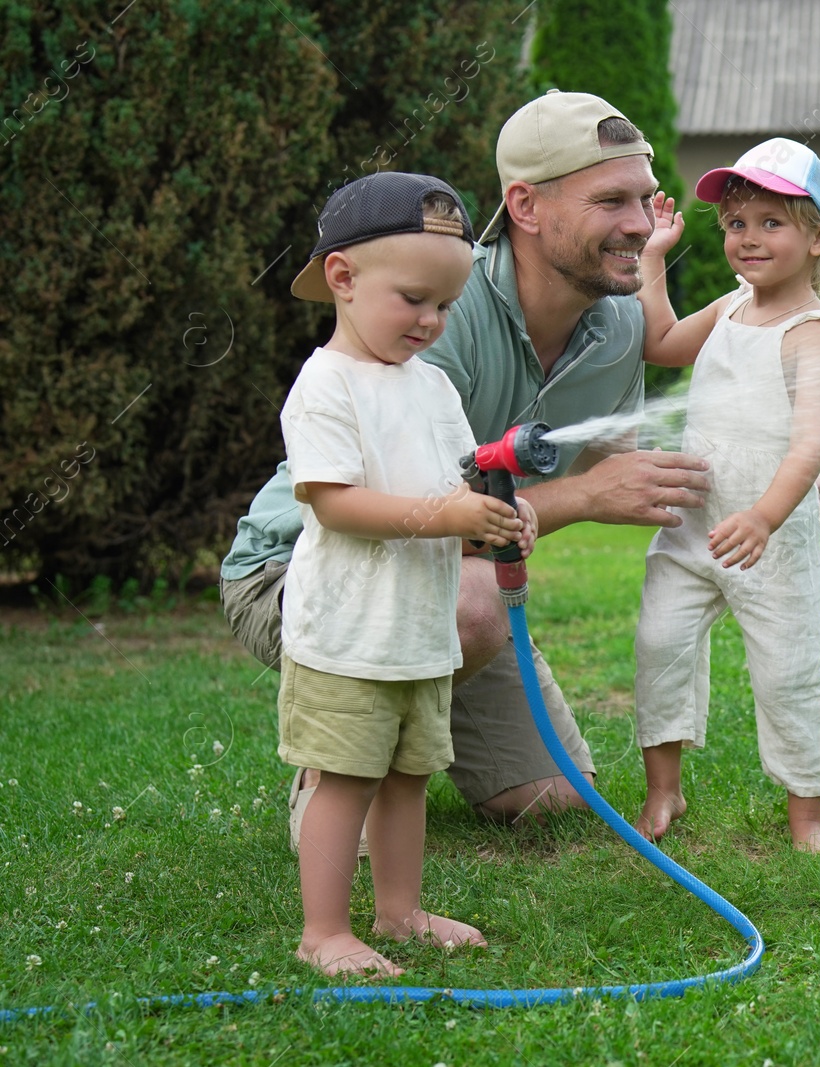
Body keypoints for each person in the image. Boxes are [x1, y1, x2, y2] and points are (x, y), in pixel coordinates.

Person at [220, 91, 711, 846]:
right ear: (525, 205)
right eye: (612, 199)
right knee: (477, 605)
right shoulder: (439, 312)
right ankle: (335, 775)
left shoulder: (617, 326)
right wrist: (578, 494)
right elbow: (405, 511)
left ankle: (400, 752)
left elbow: (630, 465)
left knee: (553, 799)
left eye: (646, 199)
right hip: (307, 567)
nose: (642, 225)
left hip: (443, 575)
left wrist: (770, 469)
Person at [276, 171, 532, 974]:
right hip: (349, 633)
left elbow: (459, 483)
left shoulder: (432, 386)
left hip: (419, 632)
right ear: (344, 279)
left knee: (408, 777)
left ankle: (399, 912)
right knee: (346, 779)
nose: (432, 321)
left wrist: (494, 516)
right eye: (415, 299)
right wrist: (450, 516)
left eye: (447, 306)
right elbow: (336, 503)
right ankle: (324, 931)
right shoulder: (326, 385)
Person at [630, 138, 820, 851]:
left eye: (771, 222)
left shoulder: (811, 335)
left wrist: (765, 516)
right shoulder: (731, 308)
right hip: (691, 528)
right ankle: (664, 790)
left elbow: (809, 444)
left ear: (818, 237)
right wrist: (650, 261)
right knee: (658, 643)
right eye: (736, 223)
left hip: (771, 540)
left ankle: (807, 814)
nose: (748, 238)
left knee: (788, 674)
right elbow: (662, 342)